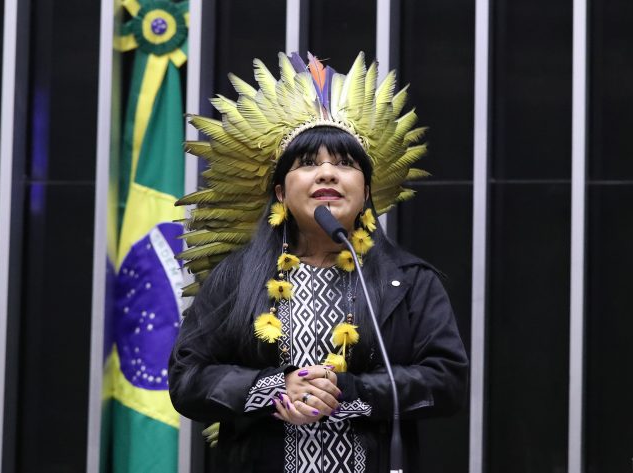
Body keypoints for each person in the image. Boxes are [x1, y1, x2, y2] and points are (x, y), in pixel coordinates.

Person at [168, 51, 469, 473]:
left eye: (344, 163)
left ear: (365, 191)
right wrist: (275, 388)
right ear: (279, 191)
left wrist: (349, 391)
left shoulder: (409, 280)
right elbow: (187, 378)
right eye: (308, 163)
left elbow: (448, 381)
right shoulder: (237, 277)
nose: (327, 174)